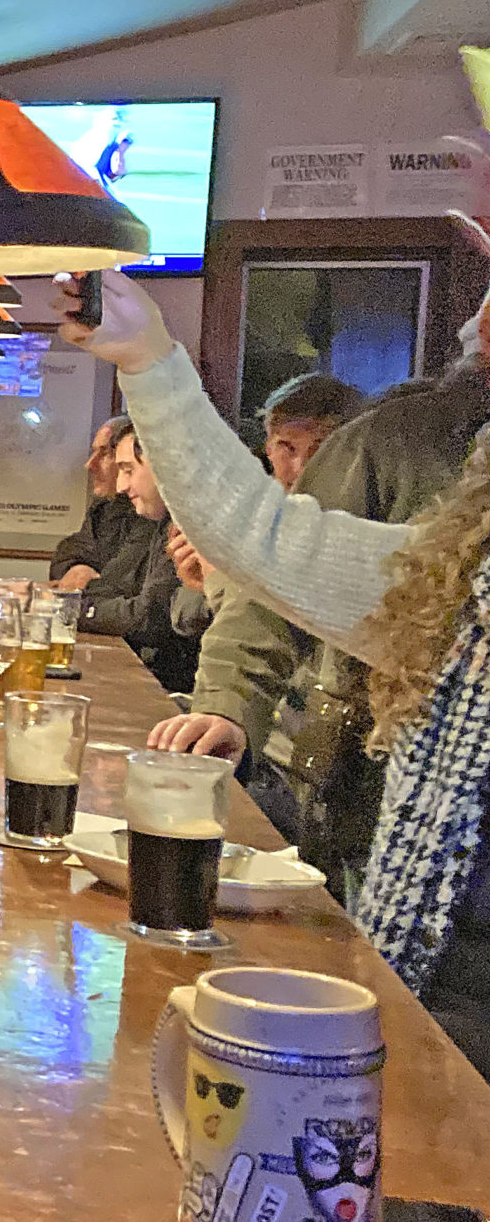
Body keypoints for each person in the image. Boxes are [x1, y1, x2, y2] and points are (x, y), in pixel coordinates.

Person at [59, 271, 490, 1074]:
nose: (479, 319)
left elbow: (260, 542)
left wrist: (151, 358)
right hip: (427, 941)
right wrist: (148, 358)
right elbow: (265, 545)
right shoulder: (464, 581)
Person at [154, 344, 489, 888]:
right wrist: (228, 708)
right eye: (282, 447)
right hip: (359, 763)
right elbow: (266, 587)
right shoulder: (401, 437)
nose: (295, 464)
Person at [164, 374, 364, 645]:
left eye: (320, 451)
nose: (301, 467)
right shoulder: (241, 510)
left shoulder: (356, 524)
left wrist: (226, 588)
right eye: (287, 448)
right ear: (269, 447)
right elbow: (184, 618)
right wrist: (203, 582)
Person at [77, 425, 195, 691]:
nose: (121, 486)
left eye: (128, 470)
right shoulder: (164, 520)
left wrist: (69, 610)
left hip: (183, 697)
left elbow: (151, 616)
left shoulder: (193, 525)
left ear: (166, 465)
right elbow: (118, 586)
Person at [48, 414, 140, 592]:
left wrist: (90, 587)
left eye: (104, 453)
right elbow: (72, 549)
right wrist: (76, 568)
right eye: (94, 452)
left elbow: (122, 581)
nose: (90, 464)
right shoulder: (105, 506)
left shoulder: (154, 513)